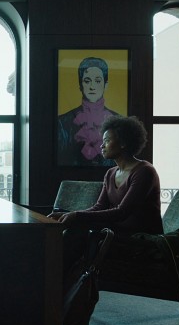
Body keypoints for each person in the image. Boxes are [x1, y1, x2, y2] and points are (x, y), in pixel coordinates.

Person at [49, 115, 163, 277]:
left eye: (107, 141)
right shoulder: (111, 173)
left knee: (78, 231)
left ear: (123, 143)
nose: (101, 145)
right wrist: (68, 214)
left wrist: (76, 216)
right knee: (76, 230)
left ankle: (55, 279)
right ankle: (57, 279)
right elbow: (99, 207)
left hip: (140, 238)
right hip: (117, 230)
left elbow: (122, 212)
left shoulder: (144, 171)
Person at [57, 57, 121, 166]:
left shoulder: (120, 121)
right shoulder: (62, 122)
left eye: (97, 81)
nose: (92, 87)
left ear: (105, 85)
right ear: (80, 85)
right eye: (87, 81)